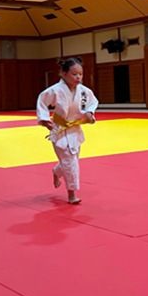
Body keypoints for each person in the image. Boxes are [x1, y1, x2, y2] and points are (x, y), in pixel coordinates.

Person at [36, 57, 98, 204]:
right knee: (71, 162)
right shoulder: (55, 90)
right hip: (60, 129)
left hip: (75, 130)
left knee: (71, 159)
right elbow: (42, 101)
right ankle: (72, 194)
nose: (78, 77)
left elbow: (92, 102)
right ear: (65, 74)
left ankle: (57, 172)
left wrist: (89, 113)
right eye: (74, 74)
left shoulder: (84, 92)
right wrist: (44, 119)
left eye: (80, 74)